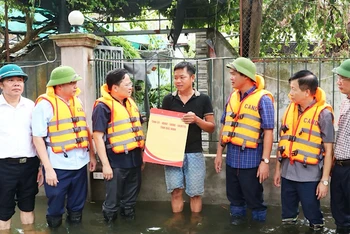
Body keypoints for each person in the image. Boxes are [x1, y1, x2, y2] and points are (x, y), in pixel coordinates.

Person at [32, 66, 96, 228]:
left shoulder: (77, 101)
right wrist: (48, 169)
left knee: (77, 206)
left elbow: (85, 129)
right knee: (55, 208)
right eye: (72, 83)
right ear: (59, 86)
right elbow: (37, 138)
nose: (76, 86)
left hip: (80, 163)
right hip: (57, 165)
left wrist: (92, 155)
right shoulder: (44, 105)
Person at [215, 57, 274, 224]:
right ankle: (237, 224)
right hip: (232, 158)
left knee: (254, 199)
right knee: (234, 198)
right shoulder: (232, 97)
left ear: (246, 76)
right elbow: (224, 125)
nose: (231, 77)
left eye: (234, 74)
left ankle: (257, 226)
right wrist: (219, 153)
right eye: (231, 74)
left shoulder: (264, 99)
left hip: (252, 160)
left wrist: (265, 161)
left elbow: (268, 132)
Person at [273, 70, 334, 231]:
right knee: (287, 218)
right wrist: (278, 170)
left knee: (314, 218)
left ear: (307, 92)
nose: (290, 93)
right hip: (287, 173)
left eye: (294, 89)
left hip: (310, 176)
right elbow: (283, 142)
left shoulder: (324, 114)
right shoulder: (289, 111)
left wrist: (324, 181)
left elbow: (329, 151)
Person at [161, 61, 215, 213]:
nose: (178, 81)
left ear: (193, 78)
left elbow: (211, 127)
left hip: (194, 152)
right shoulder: (168, 100)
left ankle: (194, 225)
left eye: (182, 77)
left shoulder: (203, 99)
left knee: (195, 194)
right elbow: (162, 128)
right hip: (172, 153)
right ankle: (178, 225)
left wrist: (196, 119)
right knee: (176, 191)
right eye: (176, 77)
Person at [92, 68, 145, 222]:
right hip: (116, 162)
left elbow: (138, 131)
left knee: (130, 203)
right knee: (112, 204)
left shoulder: (130, 104)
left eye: (131, 84)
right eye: (127, 84)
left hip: (134, 160)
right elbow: (97, 136)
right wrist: (106, 165)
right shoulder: (103, 106)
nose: (131, 87)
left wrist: (142, 156)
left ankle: (128, 226)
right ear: (115, 88)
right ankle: (109, 227)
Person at [0, 64, 42, 230]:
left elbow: (37, 137)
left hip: (29, 164)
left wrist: (41, 165)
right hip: (3, 165)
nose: (17, 84)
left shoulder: (31, 106)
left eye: (20, 80)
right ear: (1, 84)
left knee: (28, 205)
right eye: (11, 80)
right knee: (3, 210)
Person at [331, 59, 350, 234]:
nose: (339, 82)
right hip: (339, 165)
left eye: (343, 78)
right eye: (339, 77)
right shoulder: (345, 102)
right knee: (338, 208)